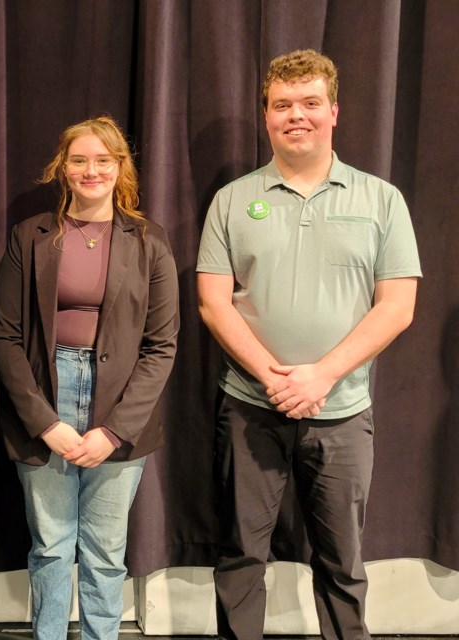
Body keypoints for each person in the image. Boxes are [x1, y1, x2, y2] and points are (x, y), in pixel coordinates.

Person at [197, 49, 421, 640]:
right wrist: (276, 378)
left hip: (342, 411)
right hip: (249, 407)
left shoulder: (381, 199)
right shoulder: (232, 200)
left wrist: (320, 376)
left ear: (334, 112)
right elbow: (213, 303)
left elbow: (397, 307)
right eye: (282, 105)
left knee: (342, 564)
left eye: (310, 103)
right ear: (265, 116)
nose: (296, 115)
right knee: (242, 557)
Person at [0, 116, 180, 640]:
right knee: (50, 546)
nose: (90, 170)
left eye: (103, 159)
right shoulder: (30, 237)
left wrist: (116, 430)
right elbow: (4, 336)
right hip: (45, 399)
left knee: (104, 550)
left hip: (120, 406)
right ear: (62, 166)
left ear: (120, 167)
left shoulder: (149, 241)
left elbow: (162, 347)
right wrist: (44, 423)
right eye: (79, 159)